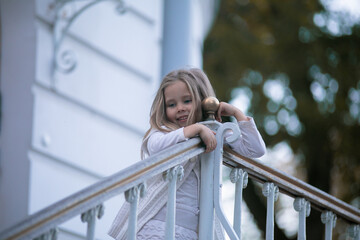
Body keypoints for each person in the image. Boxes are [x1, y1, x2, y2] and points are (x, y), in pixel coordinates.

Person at [108, 67, 266, 240]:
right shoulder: (163, 132)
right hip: (157, 225)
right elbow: (156, 147)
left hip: (192, 231)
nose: (180, 108)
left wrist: (237, 114)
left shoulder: (215, 133)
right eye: (172, 104)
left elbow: (255, 150)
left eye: (187, 101)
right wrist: (195, 129)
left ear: (202, 100)